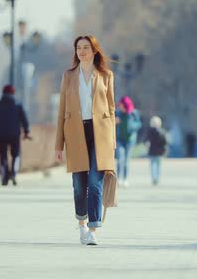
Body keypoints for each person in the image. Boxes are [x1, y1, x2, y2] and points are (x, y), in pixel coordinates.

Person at [54, 35, 117, 246]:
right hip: (75, 134)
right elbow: (61, 110)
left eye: (86, 47)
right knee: (79, 185)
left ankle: (93, 229)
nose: (82, 51)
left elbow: (111, 109)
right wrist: (58, 145)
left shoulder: (106, 76)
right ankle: (81, 223)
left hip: (101, 135)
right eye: (79, 48)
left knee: (94, 184)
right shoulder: (69, 76)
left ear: (94, 50)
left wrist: (113, 142)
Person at [0, 84, 30, 186]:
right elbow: (24, 119)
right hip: (14, 135)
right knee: (16, 155)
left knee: (3, 156)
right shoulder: (17, 105)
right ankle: (13, 174)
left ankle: (4, 177)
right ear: (13, 93)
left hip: (1, 134)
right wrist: (26, 131)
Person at [115, 96, 142, 187]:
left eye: (122, 106)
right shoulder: (117, 113)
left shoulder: (133, 113)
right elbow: (109, 122)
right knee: (120, 158)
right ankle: (118, 179)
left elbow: (139, 124)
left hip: (130, 140)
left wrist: (131, 126)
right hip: (119, 139)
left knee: (126, 160)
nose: (120, 107)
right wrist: (114, 121)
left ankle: (125, 179)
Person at [146, 116, 168, 185]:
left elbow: (146, 141)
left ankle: (154, 178)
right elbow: (165, 142)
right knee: (158, 166)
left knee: (153, 165)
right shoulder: (163, 131)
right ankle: (157, 178)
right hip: (159, 152)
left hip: (152, 151)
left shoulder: (150, 131)